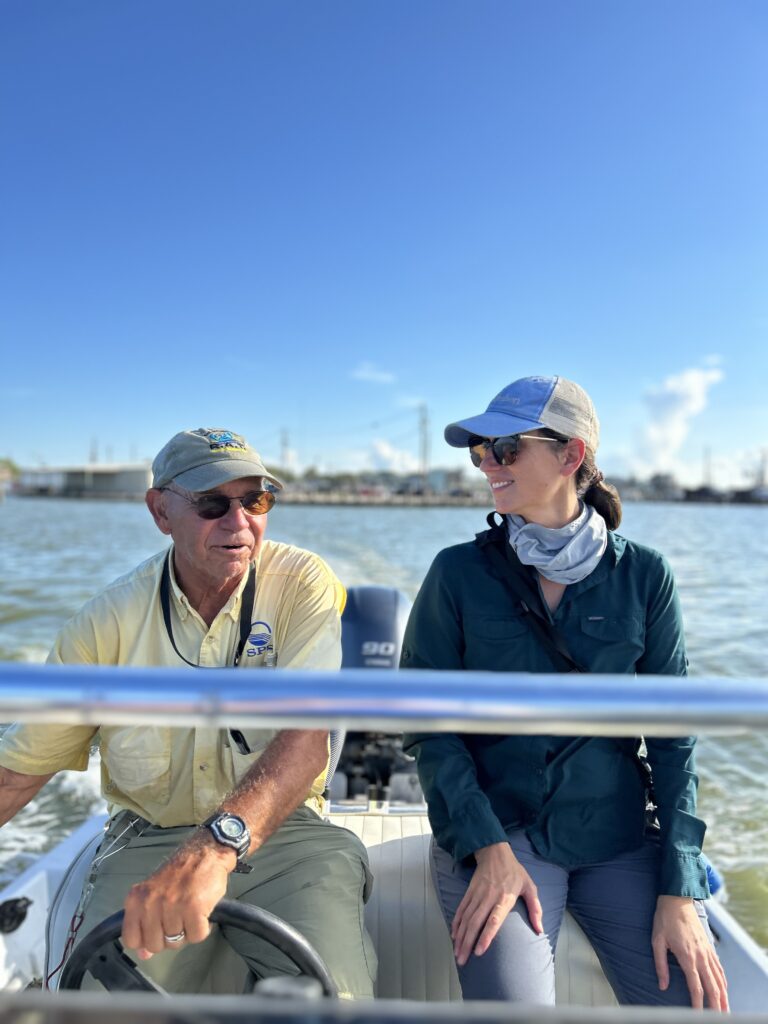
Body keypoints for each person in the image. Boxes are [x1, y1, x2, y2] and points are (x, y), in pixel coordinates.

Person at [0, 427, 376, 998]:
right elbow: (19, 773)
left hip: (287, 836)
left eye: (256, 500)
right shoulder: (105, 623)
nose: (238, 521)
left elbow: (304, 740)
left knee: (335, 1004)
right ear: (160, 511)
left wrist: (214, 850)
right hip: (149, 839)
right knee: (97, 1006)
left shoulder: (302, 583)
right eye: (211, 504)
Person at [401, 376, 728, 1010]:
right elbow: (427, 722)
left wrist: (680, 886)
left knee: (700, 1006)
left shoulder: (645, 576)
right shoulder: (456, 574)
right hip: (500, 830)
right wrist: (486, 847)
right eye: (480, 453)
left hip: (617, 835)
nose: (487, 466)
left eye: (505, 449)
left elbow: (673, 738)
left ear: (570, 455)